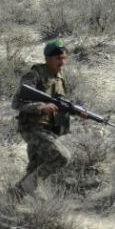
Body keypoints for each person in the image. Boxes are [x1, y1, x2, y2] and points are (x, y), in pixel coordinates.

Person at [11, 38, 87, 196]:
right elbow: (16, 102)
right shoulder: (34, 75)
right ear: (47, 58)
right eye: (58, 58)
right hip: (32, 127)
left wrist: (76, 111)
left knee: (35, 168)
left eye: (64, 58)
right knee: (61, 157)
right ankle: (22, 190)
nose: (62, 62)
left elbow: (59, 104)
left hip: (48, 129)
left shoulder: (60, 79)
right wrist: (41, 107)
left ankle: (13, 200)